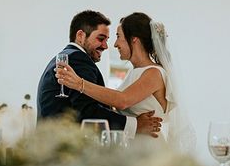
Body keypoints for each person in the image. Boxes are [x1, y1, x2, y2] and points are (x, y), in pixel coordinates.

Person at [56, 12, 195, 149]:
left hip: (150, 149)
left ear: (134, 39)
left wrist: (79, 84)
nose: (115, 44)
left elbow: (122, 100)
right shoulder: (134, 73)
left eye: (118, 36)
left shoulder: (154, 72)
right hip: (133, 146)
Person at [37, 10, 162, 139]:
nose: (107, 46)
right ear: (80, 36)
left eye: (111, 39)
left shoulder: (69, 56)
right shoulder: (77, 59)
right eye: (101, 38)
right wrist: (135, 125)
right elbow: (87, 111)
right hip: (65, 148)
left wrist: (81, 84)